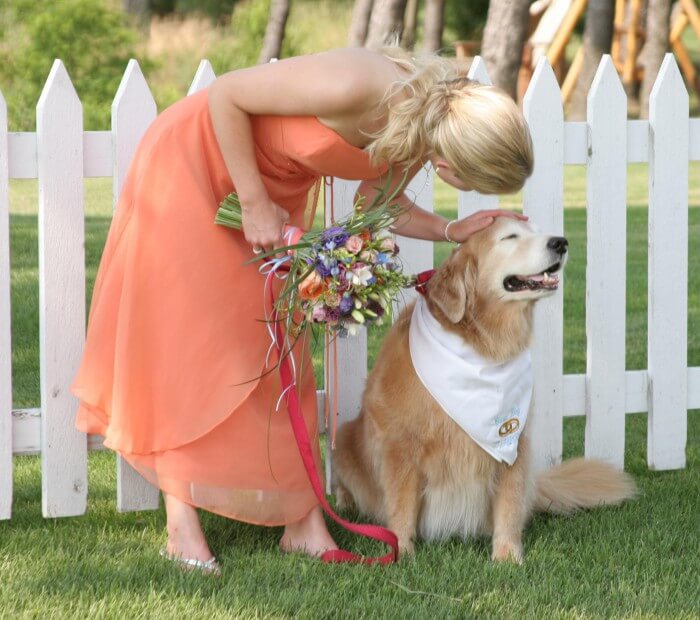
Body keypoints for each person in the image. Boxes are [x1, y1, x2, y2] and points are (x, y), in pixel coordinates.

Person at [71, 46, 534, 574]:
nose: (463, 188)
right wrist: (252, 203)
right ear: (454, 162)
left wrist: (452, 230)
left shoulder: (423, 128)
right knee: (192, 340)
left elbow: (376, 205)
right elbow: (226, 96)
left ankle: (302, 522)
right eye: (469, 183)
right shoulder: (358, 84)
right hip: (197, 166)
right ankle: (182, 531)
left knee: (275, 342)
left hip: (270, 190)